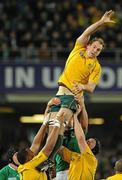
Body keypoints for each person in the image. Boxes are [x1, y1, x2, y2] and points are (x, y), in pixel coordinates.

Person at [48, 10, 116, 138]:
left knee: (57, 129)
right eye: (94, 47)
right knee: (50, 130)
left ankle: (50, 158)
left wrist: (82, 86)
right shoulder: (79, 47)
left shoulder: (96, 67)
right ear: (88, 45)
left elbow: (91, 87)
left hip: (72, 97)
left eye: (99, 50)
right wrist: (101, 22)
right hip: (60, 93)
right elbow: (87, 32)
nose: (95, 51)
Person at [11, 97, 62, 180]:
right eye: (30, 152)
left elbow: (36, 144)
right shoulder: (32, 164)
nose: (32, 151)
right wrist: (57, 125)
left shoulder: (25, 165)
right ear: (28, 158)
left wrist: (44, 124)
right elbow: (49, 147)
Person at [57, 102, 101, 180]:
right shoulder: (76, 156)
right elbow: (60, 150)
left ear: (93, 150)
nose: (89, 141)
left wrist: (76, 114)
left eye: (92, 142)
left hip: (65, 173)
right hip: (61, 173)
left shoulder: (91, 159)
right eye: (89, 139)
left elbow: (82, 133)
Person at [55, 94, 88, 180]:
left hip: (76, 170)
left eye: (71, 117)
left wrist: (83, 106)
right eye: (68, 116)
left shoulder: (77, 132)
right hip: (62, 172)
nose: (69, 119)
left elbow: (84, 126)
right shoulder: (57, 131)